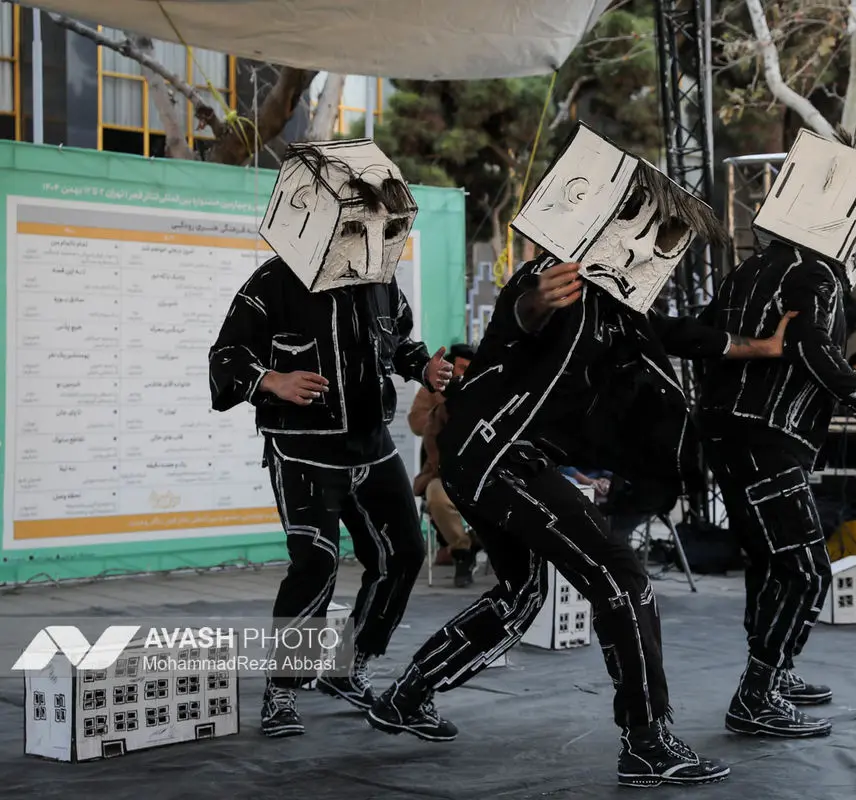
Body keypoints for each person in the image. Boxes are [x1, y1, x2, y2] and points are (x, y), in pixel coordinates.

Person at [367, 123, 791, 787]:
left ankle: (408, 694)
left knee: (522, 593)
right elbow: (523, 309)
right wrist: (539, 300)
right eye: (656, 234)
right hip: (501, 454)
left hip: (483, 462)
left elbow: (685, 335)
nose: (663, 250)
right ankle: (647, 739)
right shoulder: (554, 275)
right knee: (621, 580)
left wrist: (760, 348)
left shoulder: (626, 311)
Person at [208, 140, 452, 738]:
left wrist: (426, 369)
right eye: (355, 221)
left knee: (403, 556)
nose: (367, 233)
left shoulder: (381, 280)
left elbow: (403, 344)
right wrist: (271, 378)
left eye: (373, 222)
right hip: (303, 453)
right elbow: (223, 362)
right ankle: (282, 691)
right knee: (314, 565)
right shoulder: (273, 283)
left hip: (374, 449)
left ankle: (354, 664)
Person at [697, 129, 856, 739]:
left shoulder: (749, 270)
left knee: (769, 562)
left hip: (730, 437)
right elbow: (811, 346)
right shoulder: (819, 275)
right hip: (769, 440)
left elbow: (708, 341)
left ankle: (773, 675)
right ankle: (758, 693)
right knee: (807, 570)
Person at [412, 344, 477, 587]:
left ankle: (472, 544)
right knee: (437, 496)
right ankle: (461, 552)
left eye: (469, 369)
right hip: (440, 467)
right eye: (461, 368)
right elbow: (415, 422)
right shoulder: (433, 392)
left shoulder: (483, 392)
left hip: (477, 471)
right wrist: (440, 415)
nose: (464, 373)